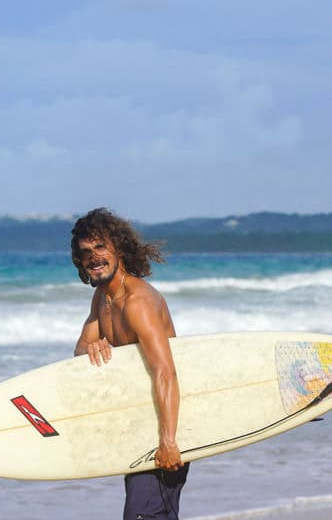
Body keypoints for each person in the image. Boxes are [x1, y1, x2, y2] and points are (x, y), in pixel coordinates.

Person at [71, 208, 188, 520]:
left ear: (118, 249)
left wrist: (168, 441)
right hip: (140, 423)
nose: (93, 257)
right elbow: (80, 349)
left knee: (143, 515)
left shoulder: (138, 303)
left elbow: (166, 371)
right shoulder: (102, 300)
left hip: (168, 423)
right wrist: (91, 347)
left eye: (100, 247)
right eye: (85, 252)